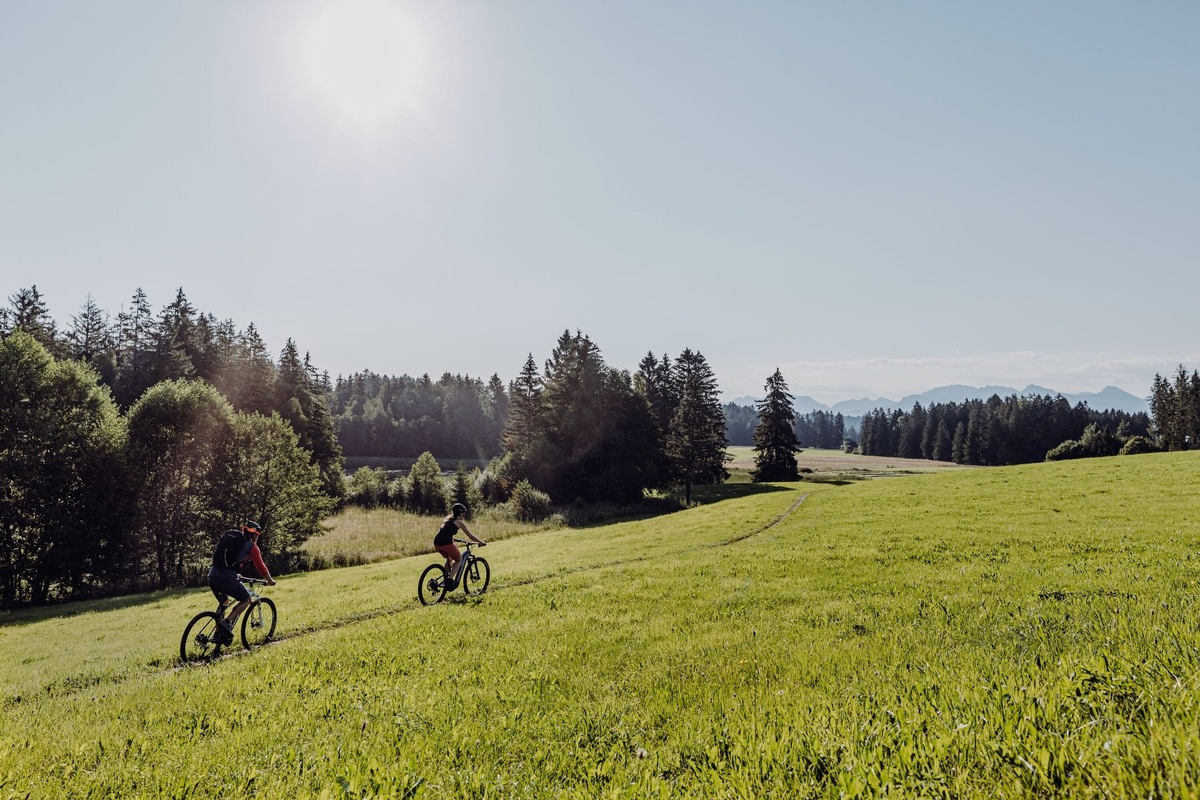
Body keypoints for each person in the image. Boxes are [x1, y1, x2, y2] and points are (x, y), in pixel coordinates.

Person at [208, 520, 276, 644]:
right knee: (247, 599)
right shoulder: (252, 547)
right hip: (226, 577)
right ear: (255, 535)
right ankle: (227, 622)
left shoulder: (233, 538)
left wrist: (235, 573)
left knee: (224, 602)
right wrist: (270, 580)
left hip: (212, 575)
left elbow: (229, 562)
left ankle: (218, 634)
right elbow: (261, 567)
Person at [433, 503, 485, 586]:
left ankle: (444, 579)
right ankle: (449, 580)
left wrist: (454, 539)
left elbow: (445, 532)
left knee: (449, 559)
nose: (463, 514)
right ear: (460, 513)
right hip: (446, 544)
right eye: (463, 513)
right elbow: (470, 536)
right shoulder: (459, 523)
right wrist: (480, 542)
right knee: (459, 560)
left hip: (437, 543)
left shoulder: (447, 518)